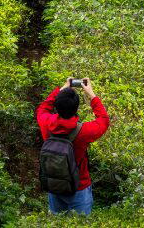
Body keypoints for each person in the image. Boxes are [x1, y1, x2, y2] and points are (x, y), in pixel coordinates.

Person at [36, 76, 110, 216]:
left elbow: (43, 108)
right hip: (79, 187)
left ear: (57, 107)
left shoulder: (46, 123)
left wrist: (62, 89)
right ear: (76, 108)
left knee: (56, 224)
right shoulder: (83, 132)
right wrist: (91, 94)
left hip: (54, 185)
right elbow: (104, 120)